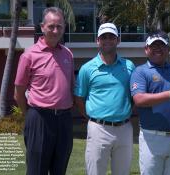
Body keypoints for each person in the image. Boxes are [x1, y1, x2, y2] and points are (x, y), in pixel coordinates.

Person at [14, 7, 74, 175]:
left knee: (59, 169)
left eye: (60, 26)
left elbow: (70, 86)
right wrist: (30, 115)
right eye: (51, 26)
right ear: (42, 27)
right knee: (36, 170)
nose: (55, 31)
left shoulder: (68, 54)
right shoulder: (29, 55)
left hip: (64, 120)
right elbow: (18, 93)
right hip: (39, 118)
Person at [130, 30, 170, 175]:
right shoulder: (140, 72)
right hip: (151, 137)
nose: (158, 49)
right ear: (146, 49)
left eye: (162, 46)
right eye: (153, 46)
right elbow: (139, 99)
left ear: (167, 49)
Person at [74, 22, 135, 175]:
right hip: (98, 129)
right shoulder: (87, 68)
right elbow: (79, 98)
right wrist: (92, 118)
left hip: (124, 128)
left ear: (118, 40)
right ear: (97, 40)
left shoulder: (129, 66)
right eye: (104, 37)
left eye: (111, 37)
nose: (107, 40)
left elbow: (134, 95)